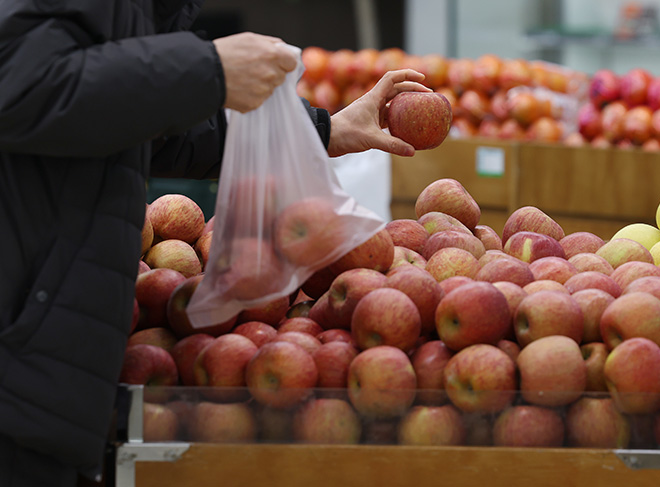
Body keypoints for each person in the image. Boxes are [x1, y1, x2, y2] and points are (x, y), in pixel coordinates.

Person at [0, 1, 428, 485]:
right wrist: (209, 70)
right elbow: (22, 82)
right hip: (20, 354)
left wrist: (323, 130)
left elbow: (141, 124)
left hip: (49, 362)